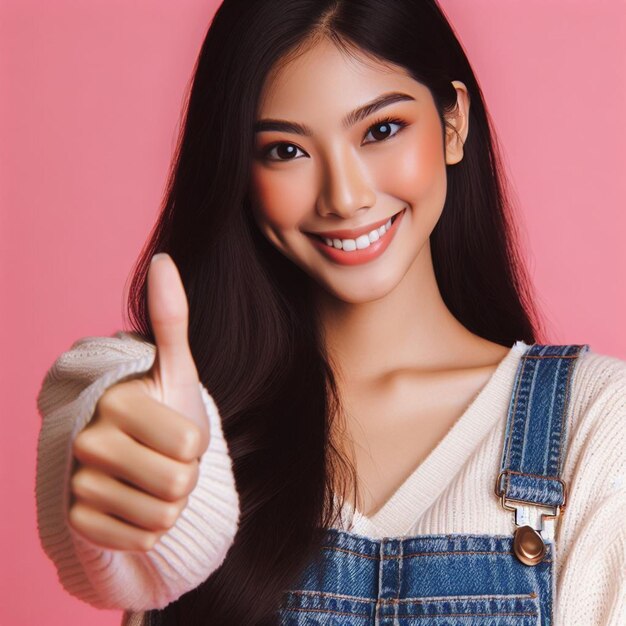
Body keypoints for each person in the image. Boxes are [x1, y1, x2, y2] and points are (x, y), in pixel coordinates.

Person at [35, 0, 626, 625]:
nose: (344, 197)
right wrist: (130, 473)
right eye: (286, 151)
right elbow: (96, 452)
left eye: (380, 130)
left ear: (453, 124)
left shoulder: (591, 424)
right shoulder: (171, 394)